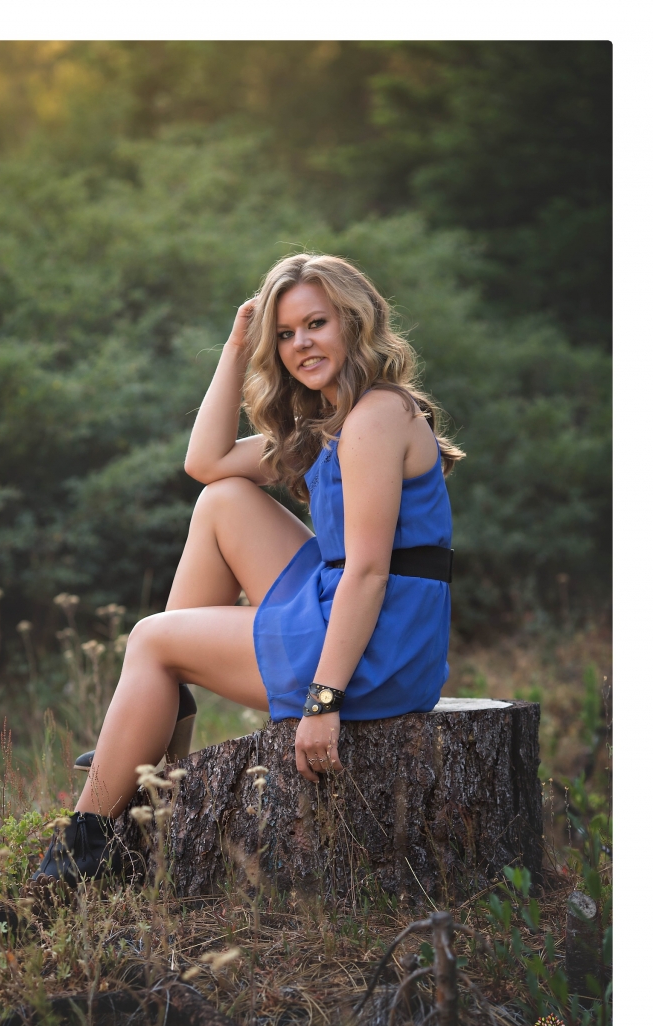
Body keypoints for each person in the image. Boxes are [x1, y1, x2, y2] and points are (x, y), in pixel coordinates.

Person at [34, 253, 464, 885]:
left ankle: (82, 856)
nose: (300, 344)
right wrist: (236, 347)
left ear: (354, 321)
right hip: (353, 602)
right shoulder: (330, 423)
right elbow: (205, 463)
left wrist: (324, 701)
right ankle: (155, 721)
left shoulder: (376, 416)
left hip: (380, 644)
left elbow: (370, 572)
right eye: (284, 334)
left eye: (316, 324)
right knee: (223, 500)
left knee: (153, 639)